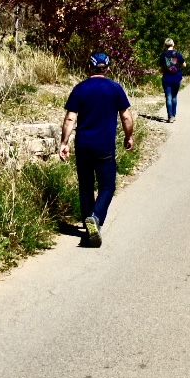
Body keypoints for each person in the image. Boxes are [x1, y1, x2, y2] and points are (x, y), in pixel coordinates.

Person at [58, 51, 134, 247]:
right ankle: (96, 217)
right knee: (107, 186)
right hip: (104, 147)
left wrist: (64, 143)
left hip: (83, 146)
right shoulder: (115, 88)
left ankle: (88, 224)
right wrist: (129, 136)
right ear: (107, 68)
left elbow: (70, 118)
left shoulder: (80, 89)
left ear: (89, 67)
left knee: (86, 186)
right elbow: (126, 116)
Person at [160, 37, 184, 122]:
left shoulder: (163, 55)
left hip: (166, 78)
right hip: (177, 77)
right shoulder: (178, 54)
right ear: (173, 44)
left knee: (168, 97)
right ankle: (174, 114)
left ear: (165, 45)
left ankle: (170, 116)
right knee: (174, 96)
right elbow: (184, 65)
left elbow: (162, 68)